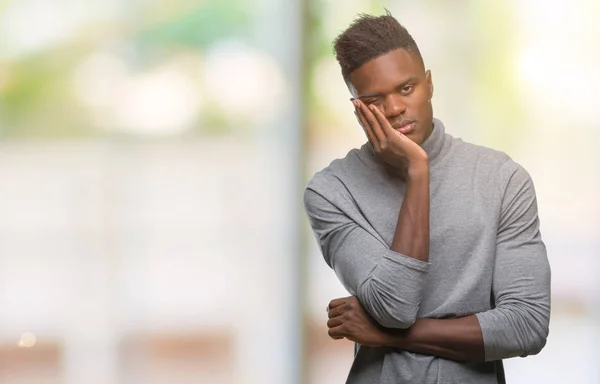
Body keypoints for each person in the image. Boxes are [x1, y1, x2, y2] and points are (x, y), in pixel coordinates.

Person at [302, 11, 551, 384]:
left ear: (429, 84)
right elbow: (394, 307)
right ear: (356, 107)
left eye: (406, 88)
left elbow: (526, 326)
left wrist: (384, 335)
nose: (395, 109)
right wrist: (418, 173)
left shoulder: (502, 179)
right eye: (374, 99)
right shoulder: (331, 191)